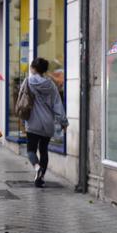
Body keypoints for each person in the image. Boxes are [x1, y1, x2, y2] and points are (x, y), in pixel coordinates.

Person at [24, 57, 68, 188]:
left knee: (31, 150)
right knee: (44, 151)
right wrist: (63, 122)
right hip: (48, 123)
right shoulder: (51, 85)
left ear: (33, 68)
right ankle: (41, 178)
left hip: (33, 122)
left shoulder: (28, 81)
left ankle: (37, 167)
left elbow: (22, 100)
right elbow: (57, 105)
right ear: (44, 70)